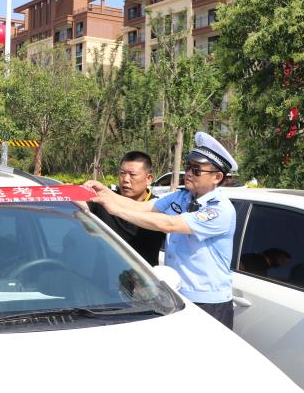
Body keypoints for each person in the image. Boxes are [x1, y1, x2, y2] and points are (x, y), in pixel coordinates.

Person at [85, 132, 238, 329]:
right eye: (188, 167)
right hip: (177, 296)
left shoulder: (220, 210)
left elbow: (170, 224)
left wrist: (115, 209)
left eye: (196, 170)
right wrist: (106, 194)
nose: (188, 173)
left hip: (208, 303)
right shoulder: (181, 197)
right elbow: (141, 207)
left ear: (217, 177)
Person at [88, 151, 165, 266]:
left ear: (149, 178)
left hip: (142, 275)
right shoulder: (104, 199)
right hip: (103, 274)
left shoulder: (159, 208)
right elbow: (78, 204)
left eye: (132, 174)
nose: (125, 179)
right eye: (122, 173)